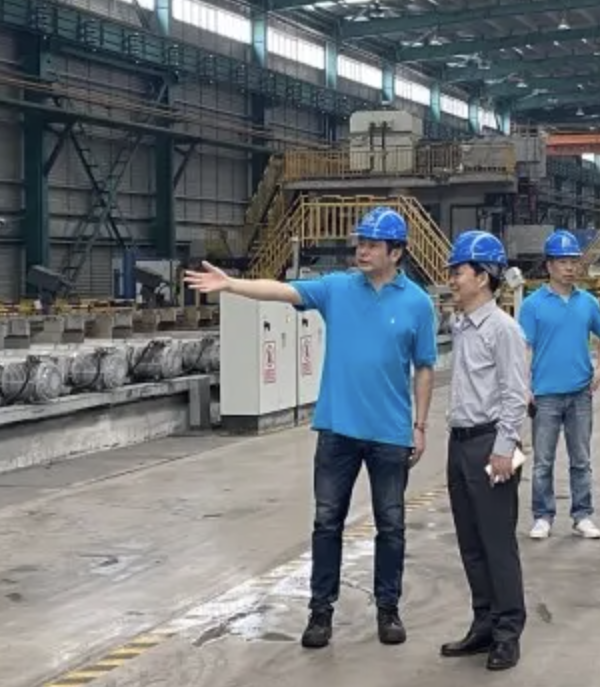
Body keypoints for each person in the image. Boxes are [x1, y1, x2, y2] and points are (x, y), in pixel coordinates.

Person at [183, 206, 438, 648]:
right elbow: (282, 291)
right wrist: (232, 285)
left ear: (396, 252)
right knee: (326, 524)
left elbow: (425, 368)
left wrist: (420, 426)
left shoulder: (417, 303)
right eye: (360, 243)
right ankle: (320, 613)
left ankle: (388, 610)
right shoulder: (337, 289)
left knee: (391, 526)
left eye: (372, 244)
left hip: (390, 433)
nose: (361, 251)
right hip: (338, 430)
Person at [439, 230, 529, 671]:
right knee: (471, 544)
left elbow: (515, 393)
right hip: (459, 443)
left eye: (458, 271)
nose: (452, 279)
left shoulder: (503, 330)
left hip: (489, 445)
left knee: (497, 544)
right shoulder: (462, 325)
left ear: (483, 276)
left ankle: (508, 632)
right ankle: (484, 624)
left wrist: (503, 448)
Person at [518, 229, 600, 540]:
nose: (570, 267)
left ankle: (582, 514)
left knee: (581, 459)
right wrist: (525, 386)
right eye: (562, 262)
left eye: (573, 261)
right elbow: (525, 347)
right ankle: (542, 515)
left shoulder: (588, 303)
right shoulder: (532, 305)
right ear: (549, 266)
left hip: (580, 392)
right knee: (542, 461)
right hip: (545, 394)